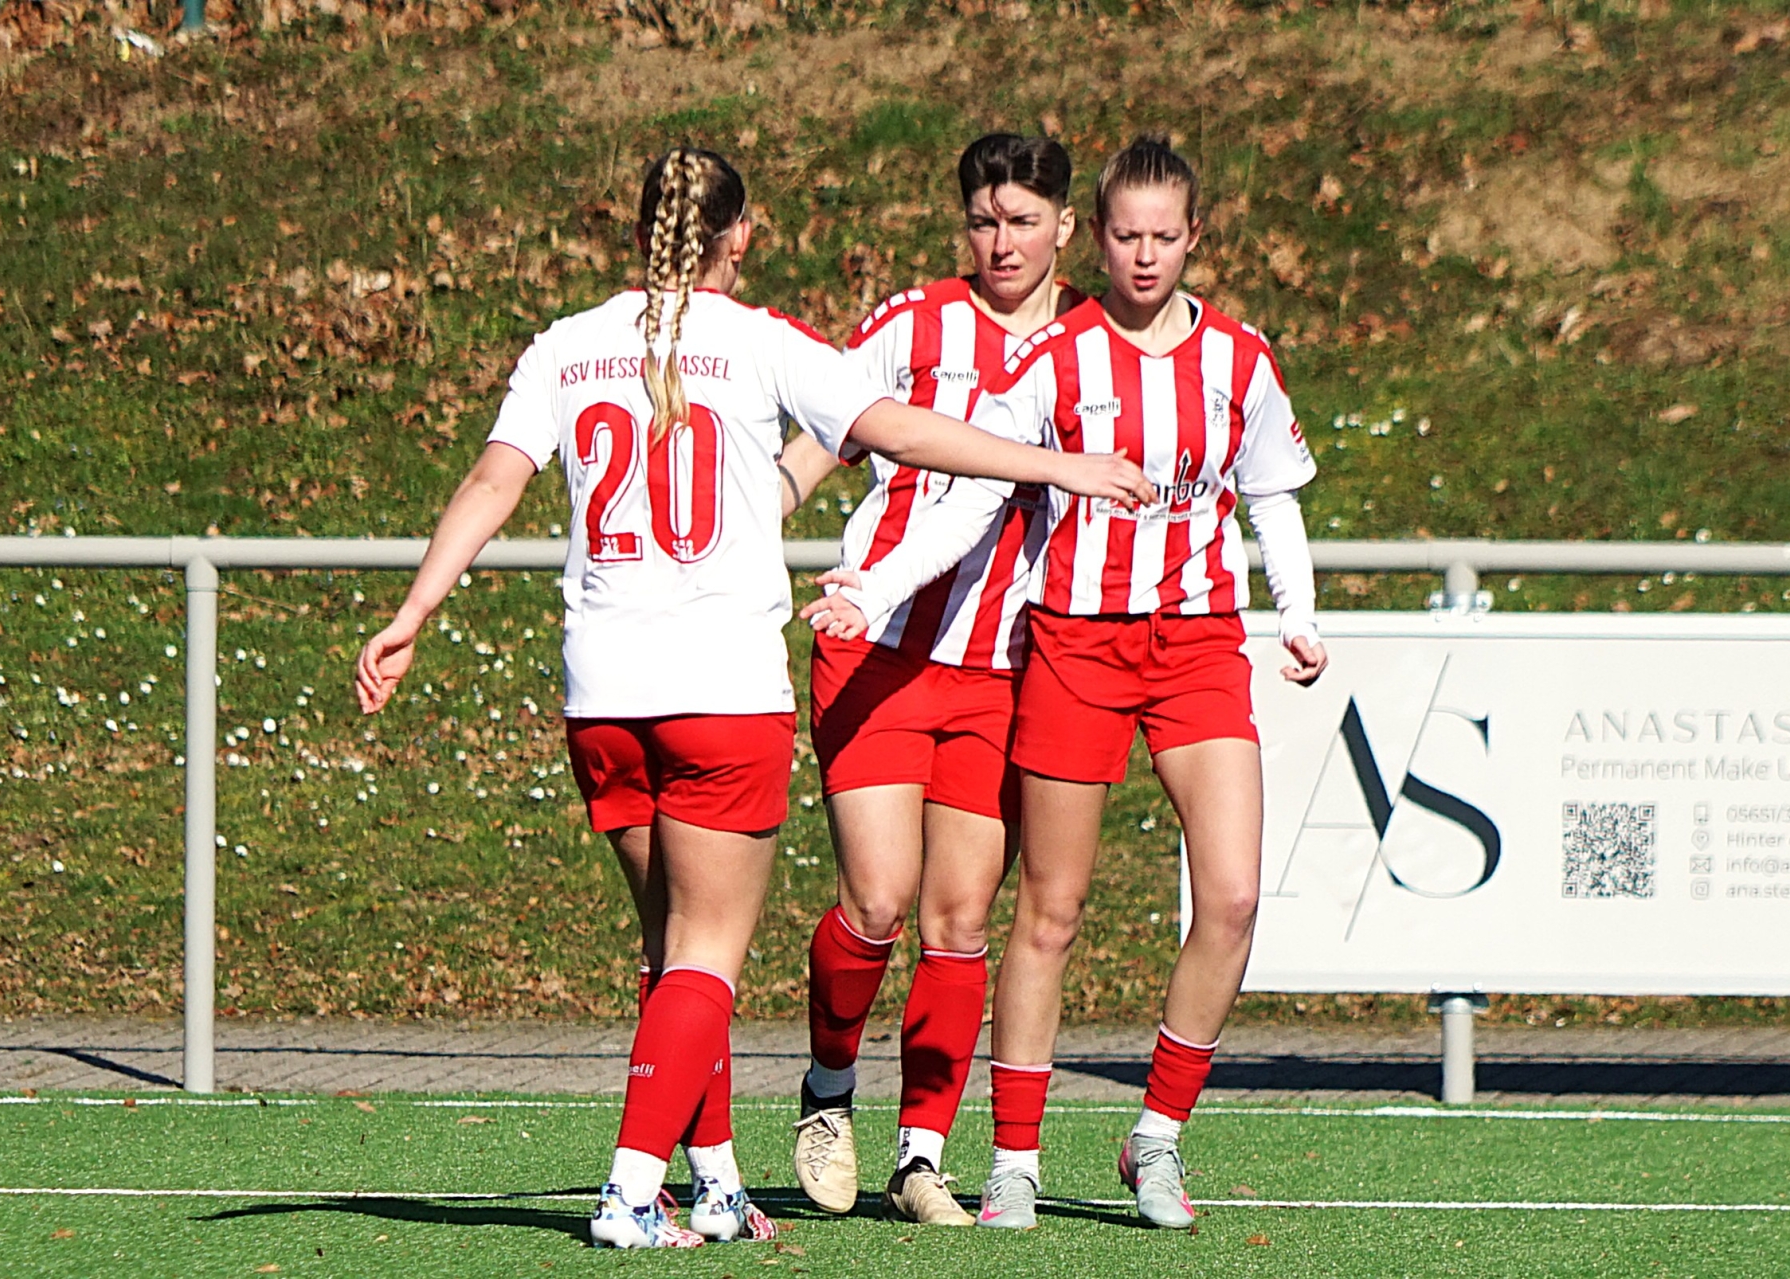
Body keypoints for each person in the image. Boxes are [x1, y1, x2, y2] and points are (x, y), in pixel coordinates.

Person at [354, 145, 1155, 1249]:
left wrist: (413, 611)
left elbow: (494, 478)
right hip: (718, 692)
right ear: (741, 235)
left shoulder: (567, 344)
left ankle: (719, 1178)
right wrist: (1057, 465)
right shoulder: (759, 340)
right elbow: (897, 428)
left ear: (641, 231)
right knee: (705, 959)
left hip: (601, 696)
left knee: (670, 946)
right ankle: (631, 1191)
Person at [959, 137, 1329, 1231]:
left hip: (1198, 645)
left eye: (1166, 236)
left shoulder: (1240, 359)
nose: (1147, 255)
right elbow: (977, 481)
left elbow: (1273, 495)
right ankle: (1014, 1158)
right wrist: (876, 582)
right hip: (1076, 645)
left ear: (1194, 236)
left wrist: (1297, 613)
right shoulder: (1058, 353)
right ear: (1100, 238)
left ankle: (1157, 1136)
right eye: (1127, 235)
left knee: (1234, 896)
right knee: (1051, 909)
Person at [771, 133, 1084, 1227]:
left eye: (1023, 221)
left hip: (1001, 669)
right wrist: (751, 519)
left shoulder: (1091, 347)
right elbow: (821, 440)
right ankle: (826, 1092)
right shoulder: (914, 322)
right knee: (877, 898)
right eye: (984, 221)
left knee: (958, 917)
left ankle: (921, 1157)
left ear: (1064, 227)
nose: (1002, 242)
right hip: (877, 647)